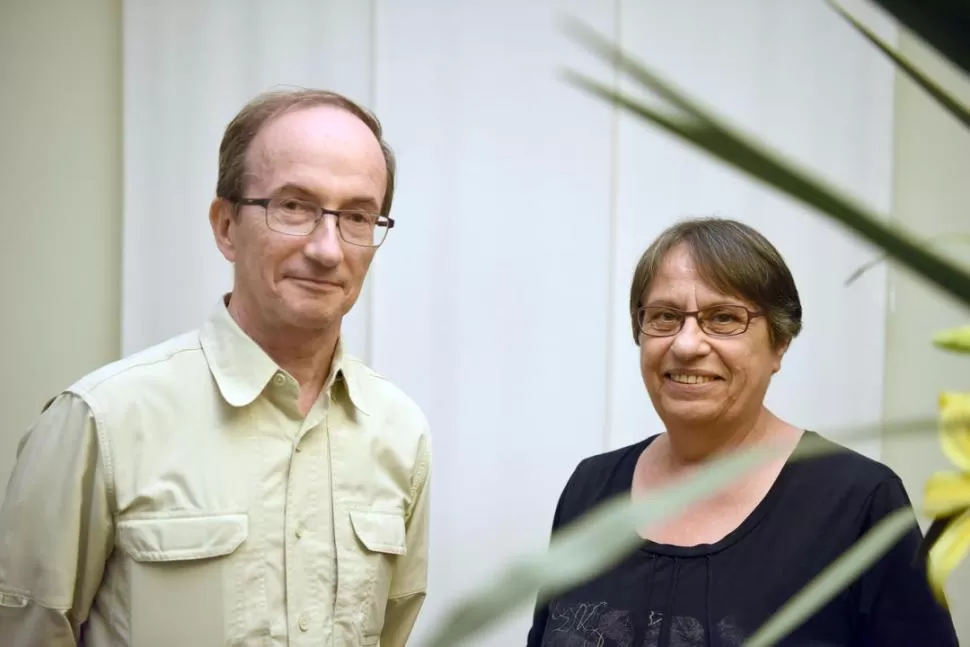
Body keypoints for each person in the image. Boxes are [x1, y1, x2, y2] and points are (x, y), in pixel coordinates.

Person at [0, 88, 431, 647]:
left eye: (356, 216)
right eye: (294, 207)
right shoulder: (100, 422)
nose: (328, 249)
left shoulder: (399, 432)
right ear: (226, 226)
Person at [526, 218, 958, 646]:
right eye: (664, 317)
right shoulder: (590, 489)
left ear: (780, 342)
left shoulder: (859, 503)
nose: (686, 345)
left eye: (724, 318)